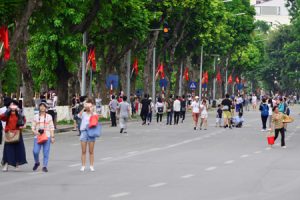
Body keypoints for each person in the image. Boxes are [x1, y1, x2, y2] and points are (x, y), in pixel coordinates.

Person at [0, 100, 27, 171]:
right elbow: (2, 117)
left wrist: (23, 126)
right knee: (7, 150)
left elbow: (24, 120)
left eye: (14, 105)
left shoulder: (19, 113)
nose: (12, 106)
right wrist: (8, 110)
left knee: (18, 149)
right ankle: (6, 165)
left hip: (17, 133)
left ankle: (17, 164)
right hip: (9, 133)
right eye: (11, 105)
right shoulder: (7, 113)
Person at [31, 101, 55, 172]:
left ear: (46, 108)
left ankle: (44, 166)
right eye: (41, 106)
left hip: (47, 136)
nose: (42, 107)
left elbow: (51, 127)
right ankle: (37, 162)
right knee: (35, 151)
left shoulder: (49, 117)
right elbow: (32, 127)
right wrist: (35, 132)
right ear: (39, 107)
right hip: (37, 137)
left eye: (44, 106)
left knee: (46, 152)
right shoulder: (35, 117)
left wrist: (52, 137)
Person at [78, 98, 97, 172]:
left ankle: (91, 166)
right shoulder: (83, 113)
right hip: (84, 132)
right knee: (83, 151)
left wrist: (91, 111)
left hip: (91, 132)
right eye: (87, 105)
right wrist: (84, 108)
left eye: (90, 105)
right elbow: (78, 115)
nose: (88, 107)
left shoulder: (94, 113)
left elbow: (95, 119)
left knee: (91, 151)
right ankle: (83, 166)